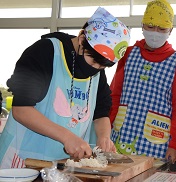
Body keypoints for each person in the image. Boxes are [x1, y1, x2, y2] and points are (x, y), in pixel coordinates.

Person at [0, 7, 130, 168]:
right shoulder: (44, 52)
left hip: (62, 163)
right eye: (93, 61)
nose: (96, 69)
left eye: (102, 67)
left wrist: (104, 137)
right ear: (82, 39)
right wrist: (67, 137)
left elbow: (101, 113)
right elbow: (22, 109)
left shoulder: (97, 69)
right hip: (22, 159)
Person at [109, 0, 176, 163]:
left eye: (161, 29)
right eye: (150, 26)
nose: (155, 32)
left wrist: (175, 145)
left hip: (156, 141)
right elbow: (115, 94)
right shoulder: (128, 54)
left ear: (170, 30)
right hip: (121, 134)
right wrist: (106, 129)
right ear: (143, 26)